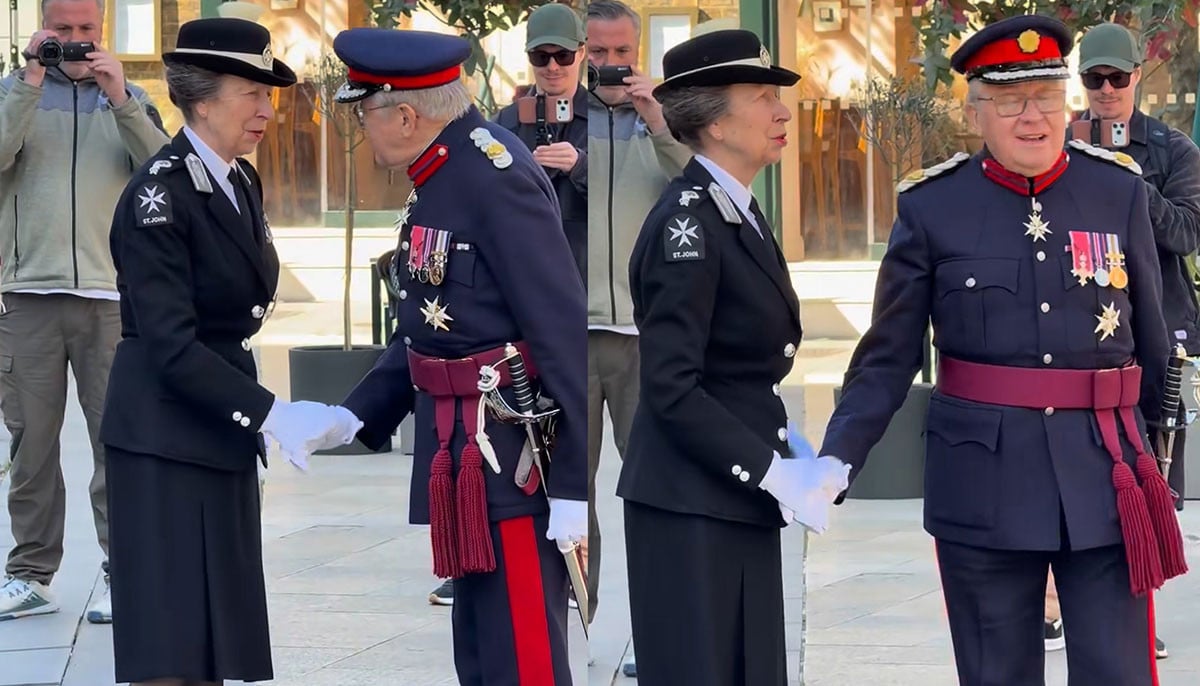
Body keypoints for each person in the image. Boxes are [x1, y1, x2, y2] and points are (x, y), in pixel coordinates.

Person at [817, 15, 1185, 686]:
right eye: (1010, 100)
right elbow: (887, 356)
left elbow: (1152, 340)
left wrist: (1162, 456)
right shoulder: (932, 208)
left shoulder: (1120, 192)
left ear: (1067, 102)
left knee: (1118, 672)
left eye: (1046, 96)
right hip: (982, 481)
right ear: (975, 110)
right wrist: (836, 460)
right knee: (996, 674)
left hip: (1106, 474)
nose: (1031, 116)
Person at [101, 18, 360, 685]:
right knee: (169, 638)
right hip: (163, 434)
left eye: (268, 95)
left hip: (215, 425)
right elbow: (169, 344)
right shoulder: (159, 196)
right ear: (203, 97)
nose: (267, 111)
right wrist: (273, 413)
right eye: (251, 92)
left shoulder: (237, 181)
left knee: (213, 635)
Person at [325, 27, 587, 685]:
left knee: (521, 653)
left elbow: (558, 331)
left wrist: (574, 488)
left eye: (365, 111)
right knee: (481, 647)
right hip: (464, 453)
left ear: (406, 115)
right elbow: (432, 325)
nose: (363, 126)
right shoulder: (447, 168)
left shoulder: (491, 175)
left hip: (512, 452)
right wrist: (354, 416)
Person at [619, 29, 841, 686]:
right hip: (688, 501)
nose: (781, 113)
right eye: (761, 97)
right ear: (714, 121)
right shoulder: (687, 224)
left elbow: (746, 375)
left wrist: (798, 461)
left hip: (731, 490)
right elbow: (672, 386)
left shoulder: (737, 210)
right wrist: (773, 472)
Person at [0, 0, 168, 624]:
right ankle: (30, 574)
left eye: (85, 31)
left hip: (110, 302)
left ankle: (123, 572)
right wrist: (27, 84)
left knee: (116, 443)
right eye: (61, 30)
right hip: (26, 298)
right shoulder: (13, 91)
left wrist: (120, 95)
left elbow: (164, 172)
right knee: (32, 446)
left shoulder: (130, 98)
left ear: (103, 31)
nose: (73, 42)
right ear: (42, 28)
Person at [1044, 22, 1200, 659]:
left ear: (1139, 75)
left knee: (1153, 481)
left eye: (1117, 77)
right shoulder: (1061, 139)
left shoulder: (1171, 149)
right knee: (1072, 477)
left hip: (1156, 332)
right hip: (1086, 334)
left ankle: (1139, 618)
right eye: (1093, 79)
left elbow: (1188, 232)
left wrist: (1128, 184)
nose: (1105, 90)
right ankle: (1057, 607)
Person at [427, 1, 588, 611]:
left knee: (579, 451)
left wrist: (584, 165)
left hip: (584, 301)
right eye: (539, 56)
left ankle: (577, 573)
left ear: (581, 56)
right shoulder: (505, 122)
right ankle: (485, 560)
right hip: (514, 314)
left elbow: (642, 189)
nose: (551, 68)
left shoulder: (603, 120)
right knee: (517, 444)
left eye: (563, 56)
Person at [584, 0, 692, 644]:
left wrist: (656, 117)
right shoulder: (554, 118)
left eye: (623, 53)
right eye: (597, 53)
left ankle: (658, 636)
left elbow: (698, 180)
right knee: (568, 497)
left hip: (642, 340)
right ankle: (575, 626)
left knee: (654, 491)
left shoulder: (665, 118)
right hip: (565, 337)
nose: (612, 66)